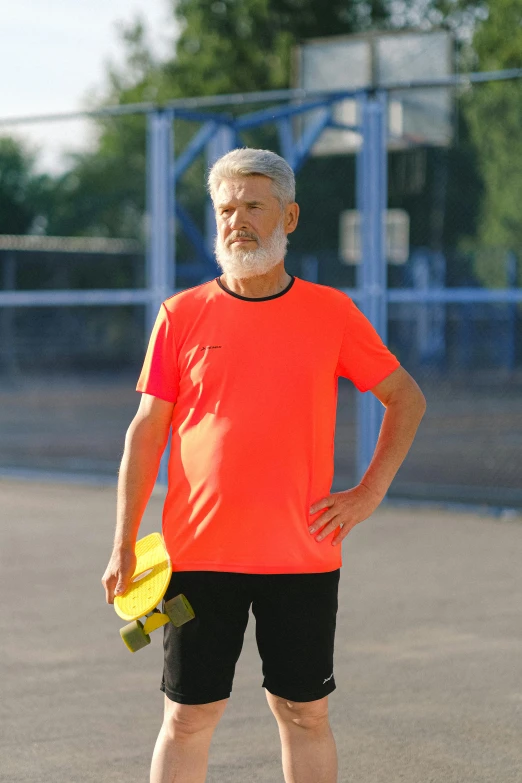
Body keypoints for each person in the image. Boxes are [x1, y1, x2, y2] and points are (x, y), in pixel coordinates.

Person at [101, 147, 426, 783]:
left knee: (303, 711)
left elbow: (405, 399)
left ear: (290, 216)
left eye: (254, 205)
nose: (237, 220)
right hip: (196, 557)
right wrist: (123, 542)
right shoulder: (181, 314)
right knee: (189, 716)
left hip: (301, 555)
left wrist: (368, 493)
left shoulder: (331, 312)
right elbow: (146, 432)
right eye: (226, 208)